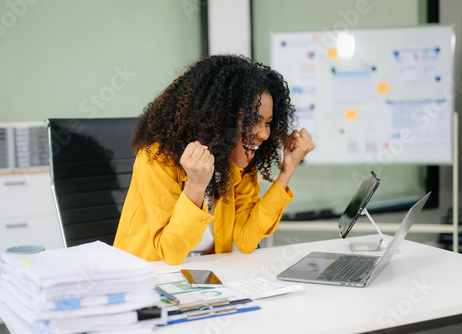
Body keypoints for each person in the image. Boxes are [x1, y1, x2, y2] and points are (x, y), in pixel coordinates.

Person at [114, 55, 315, 265]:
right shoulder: (156, 158)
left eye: (268, 123)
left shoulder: (238, 163)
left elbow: (247, 239)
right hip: (144, 278)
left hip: (206, 282)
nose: (264, 134)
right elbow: (170, 251)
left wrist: (287, 170)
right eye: (253, 120)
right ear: (220, 118)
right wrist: (196, 186)